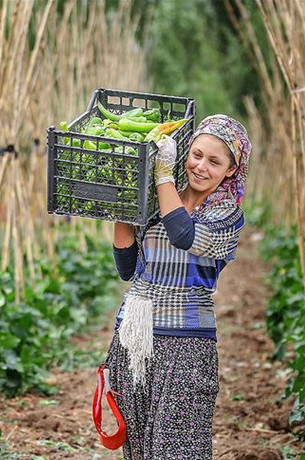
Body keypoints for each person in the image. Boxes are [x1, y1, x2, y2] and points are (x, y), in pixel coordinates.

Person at [105, 114, 251, 459]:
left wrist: (161, 175)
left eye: (214, 162)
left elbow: (183, 234)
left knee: (178, 446)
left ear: (230, 170)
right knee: (138, 447)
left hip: (186, 343)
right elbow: (128, 269)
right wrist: (123, 205)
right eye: (196, 155)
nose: (201, 167)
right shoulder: (156, 199)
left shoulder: (226, 215)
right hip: (135, 339)